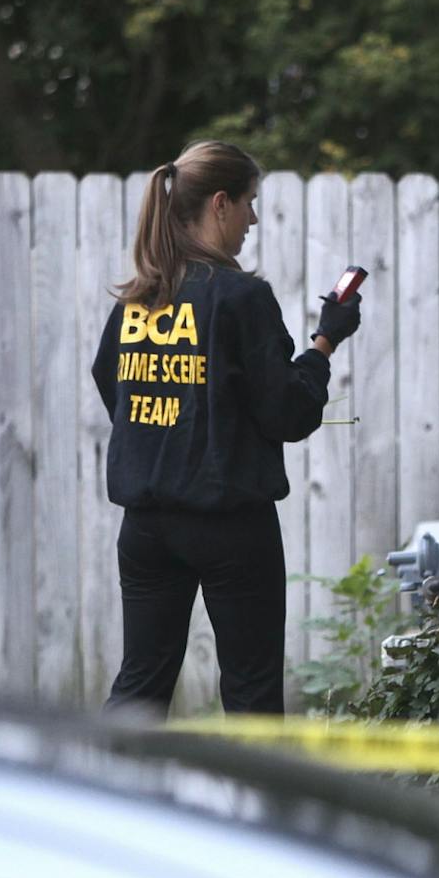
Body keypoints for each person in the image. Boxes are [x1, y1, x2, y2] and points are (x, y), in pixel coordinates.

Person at [90, 140, 360, 715]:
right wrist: (325, 340)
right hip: (231, 526)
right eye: (248, 203)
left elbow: (112, 383)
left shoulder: (139, 300)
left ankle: (102, 795)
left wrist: (174, 426)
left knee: (139, 685)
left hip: (147, 529)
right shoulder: (241, 298)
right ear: (220, 204)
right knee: (251, 691)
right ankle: (250, 807)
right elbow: (288, 412)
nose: (253, 219)